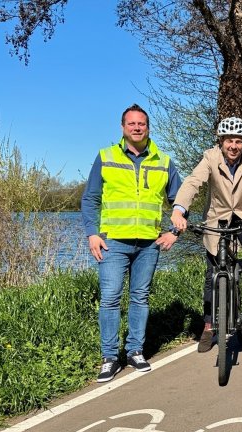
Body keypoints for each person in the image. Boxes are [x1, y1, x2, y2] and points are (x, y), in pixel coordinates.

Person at [81, 104, 182, 383]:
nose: (137, 128)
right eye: (131, 124)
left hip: (149, 243)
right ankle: (110, 357)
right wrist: (92, 233)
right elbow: (90, 199)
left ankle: (135, 350)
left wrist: (174, 231)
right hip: (112, 242)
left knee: (140, 297)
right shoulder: (106, 157)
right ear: (123, 128)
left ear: (148, 127)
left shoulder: (163, 160)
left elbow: (180, 201)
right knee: (111, 298)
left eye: (142, 124)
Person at [170, 116, 242, 353]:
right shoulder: (210, 158)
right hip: (217, 217)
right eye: (229, 141)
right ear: (221, 141)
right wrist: (179, 210)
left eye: (238, 141)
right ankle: (208, 326)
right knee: (212, 273)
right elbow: (193, 182)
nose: (234, 146)